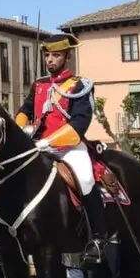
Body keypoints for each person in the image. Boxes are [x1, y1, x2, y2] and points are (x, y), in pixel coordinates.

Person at [15, 33, 106, 265]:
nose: (50, 60)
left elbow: (79, 124)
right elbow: (25, 110)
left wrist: (49, 141)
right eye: (47, 55)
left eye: (55, 55)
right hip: (39, 146)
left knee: (85, 180)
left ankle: (97, 237)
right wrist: (18, 131)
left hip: (69, 147)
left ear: (67, 56)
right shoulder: (39, 84)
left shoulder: (79, 85)